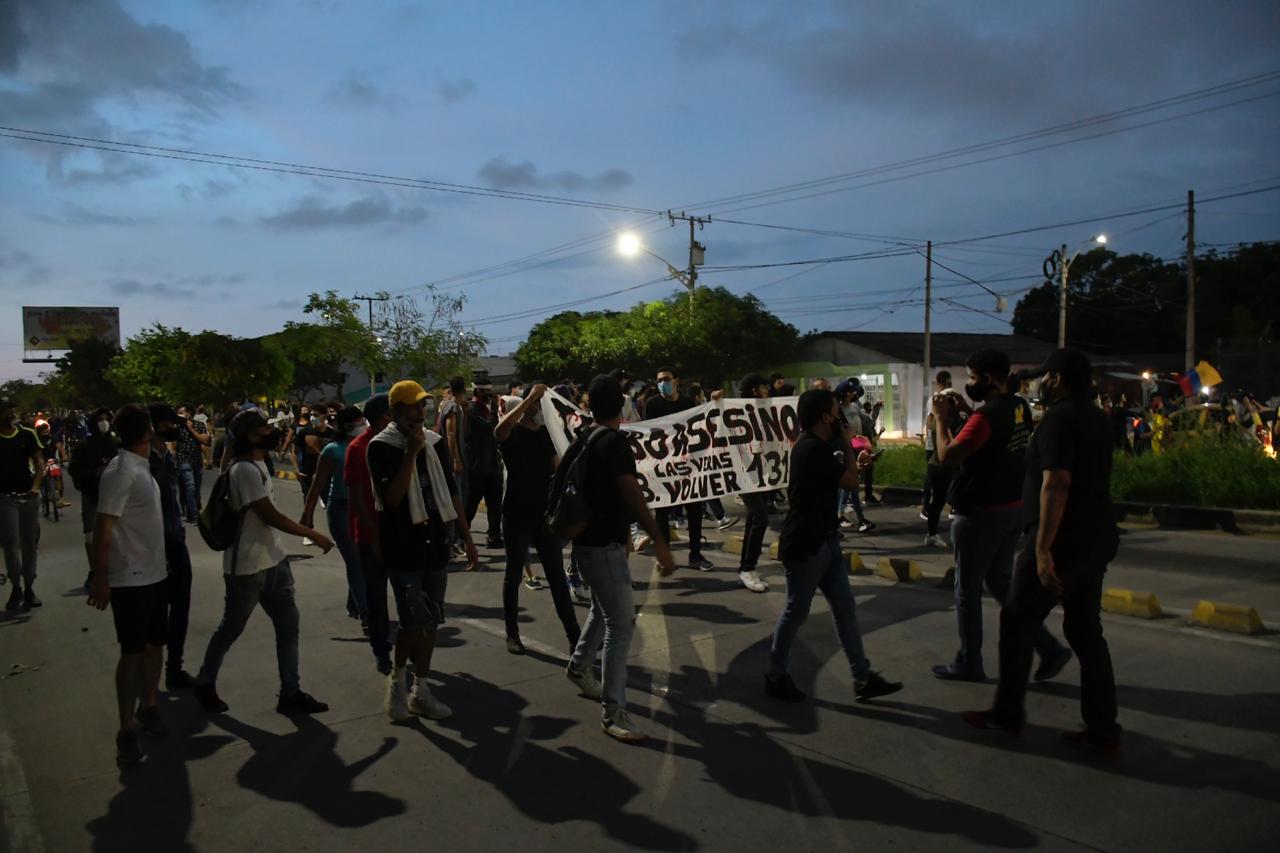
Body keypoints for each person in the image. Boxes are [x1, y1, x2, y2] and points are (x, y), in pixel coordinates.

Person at [966, 348, 1123, 754]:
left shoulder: (1057, 419)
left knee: (1017, 620)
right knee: (1086, 631)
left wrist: (1042, 548)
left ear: (1056, 379)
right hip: (1097, 538)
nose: (1037, 384)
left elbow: (1056, 483)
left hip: (1063, 542)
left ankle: (1008, 714)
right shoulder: (1098, 417)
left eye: (1042, 378)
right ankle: (1103, 728)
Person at [930, 350, 1071, 683]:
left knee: (967, 590)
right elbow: (993, 435)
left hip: (980, 513)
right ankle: (1048, 646)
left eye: (974, 378)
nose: (971, 384)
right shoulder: (1019, 406)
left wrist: (940, 419)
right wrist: (966, 412)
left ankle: (969, 661)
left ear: (990, 379)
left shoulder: (986, 418)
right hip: (1012, 507)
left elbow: (948, 456)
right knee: (1000, 583)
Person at [764, 388, 901, 704]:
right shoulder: (812, 448)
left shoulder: (819, 447)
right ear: (825, 417)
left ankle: (863, 677)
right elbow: (851, 482)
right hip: (807, 546)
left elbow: (842, 477)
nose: (840, 413)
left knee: (845, 609)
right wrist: (851, 447)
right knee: (795, 612)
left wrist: (853, 458)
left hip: (825, 541)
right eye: (835, 409)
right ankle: (775, 675)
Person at [193, 410, 334, 716]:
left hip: (273, 561)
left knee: (288, 628)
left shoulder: (257, 464)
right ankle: (205, 683)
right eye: (264, 429)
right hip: (246, 568)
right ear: (250, 436)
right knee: (230, 629)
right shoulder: (243, 470)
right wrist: (313, 533)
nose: (272, 433)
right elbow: (270, 515)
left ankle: (290, 692)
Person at [567, 375, 676, 744]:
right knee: (621, 623)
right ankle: (614, 713)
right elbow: (630, 492)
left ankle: (580, 667)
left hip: (589, 544)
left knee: (603, 610)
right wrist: (659, 539)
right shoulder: (612, 442)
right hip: (602, 547)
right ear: (621, 405)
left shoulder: (586, 435)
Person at [369, 380, 479, 722]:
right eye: (415, 406)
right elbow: (393, 498)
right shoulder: (380, 447)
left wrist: (466, 535)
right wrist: (412, 453)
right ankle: (398, 679)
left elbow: (451, 490)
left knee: (430, 623)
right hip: (403, 548)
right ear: (395, 412)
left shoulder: (433, 442)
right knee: (412, 622)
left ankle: (422, 689)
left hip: (436, 544)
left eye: (423, 406)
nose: (421, 412)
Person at [87, 404, 170, 765]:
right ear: (146, 431)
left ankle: (149, 705)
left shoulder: (142, 466)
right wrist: (101, 578)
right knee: (132, 653)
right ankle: (126, 729)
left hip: (155, 574)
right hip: (129, 579)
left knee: (155, 646)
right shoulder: (120, 471)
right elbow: (103, 527)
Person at [494, 383, 581, 655]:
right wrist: (527, 399)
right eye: (532, 403)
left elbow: (559, 466)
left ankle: (574, 636)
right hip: (517, 513)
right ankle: (512, 633)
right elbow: (499, 431)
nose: (535, 407)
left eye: (537, 404)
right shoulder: (512, 432)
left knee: (556, 576)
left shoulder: (545, 434)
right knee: (513, 573)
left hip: (544, 516)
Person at [301, 405, 369, 627]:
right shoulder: (332, 450)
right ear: (349, 425)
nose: (363, 425)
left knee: (361, 560)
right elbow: (317, 483)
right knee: (355, 562)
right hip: (340, 509)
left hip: (363, 507)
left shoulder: (367, 445)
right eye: (359, 421)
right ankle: (367, 615)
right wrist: (307, 515)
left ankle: (355, 604)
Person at [146, 404, 198, 690]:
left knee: (180, 609)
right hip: (154, 549)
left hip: (175, 542)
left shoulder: (166, 456)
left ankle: (174, 667)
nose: (174, 428)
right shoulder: (142, 462)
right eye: (169, 423)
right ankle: (149, 680)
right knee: (154, 618)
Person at [343, 394, 395, 674]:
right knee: (376, 597)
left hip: (396, 532)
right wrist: (374, 538)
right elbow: (357, 499)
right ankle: (382, 650)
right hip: (369, 534)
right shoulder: (357, 448)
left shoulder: (395, 443)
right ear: (382, 417)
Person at [642, 367, 714, 572]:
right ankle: (664, 555)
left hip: (687, 467)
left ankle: (696, 554)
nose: (662, 383)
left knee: (694, 510)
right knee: (662, 512)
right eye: (659, 380)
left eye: (666, 379)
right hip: (663, 467)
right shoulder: (652, 404)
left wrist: (714, 402)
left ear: (676, 381)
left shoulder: (687, 404)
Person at [1, 397, 44, 612]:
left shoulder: (28, 434)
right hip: (5, 498)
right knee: (10, 544)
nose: (10, 414)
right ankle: (16, 586)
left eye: (12, 410)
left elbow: (39, 461)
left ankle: (29, 587)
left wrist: (36, 486)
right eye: (5, 411)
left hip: (28, 495)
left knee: (30, 544)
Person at [733, 374, 774, 594]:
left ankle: (745, 568)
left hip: (764, 470)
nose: (767, 389)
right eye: (763, 386)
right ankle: (748, 568)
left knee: (754, 519)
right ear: (754, 391)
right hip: (744, 472)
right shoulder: (738, 409)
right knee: (760, 518)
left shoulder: (769, 408)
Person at [72, 407, 120, 590]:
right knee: (91, 535)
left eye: (106, 419)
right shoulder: (83, 446)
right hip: (91, 495)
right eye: (99, 419)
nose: (103, 422)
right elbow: (75, 470)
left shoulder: (117, 443)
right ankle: (95, 571)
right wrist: (93, 474)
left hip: (115, 496)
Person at [464, 379, 505, 550]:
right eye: (484, 392)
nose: (488, 395)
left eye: (490, 391)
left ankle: (494, 536)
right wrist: (495, 409)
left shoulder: (484, 410)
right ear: (476, 392)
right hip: (477, 465)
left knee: (495, 504)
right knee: (471, 504)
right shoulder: (471, 411)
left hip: (491, 465)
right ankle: (463, 538)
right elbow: (490, 428)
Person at [924, 388, 966, 548]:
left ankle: (935, 532)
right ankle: (932, 534)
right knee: (939, 500)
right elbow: (951, 441)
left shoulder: (947, 418)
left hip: (948, 464)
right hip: (940, 465)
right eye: (950, 401)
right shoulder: (940, 420)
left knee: (946, 498)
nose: (954, 404)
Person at [174, 403, 210, 523]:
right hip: (183, 459)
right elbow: (172, 444)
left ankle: (191, 510)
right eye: (178, 413)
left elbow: (205, 441)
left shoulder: (199, 425)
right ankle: (195, 515)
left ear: (189, 413)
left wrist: (192, 430)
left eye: (182, 412)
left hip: (196, 459)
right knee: (190, 485)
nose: (180, 415)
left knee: (195, 488)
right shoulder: (176, 427)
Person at [35, 420, 71, 508]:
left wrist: (64, 456)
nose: (46, 431)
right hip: (39, 461)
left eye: (47, 430)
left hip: (51, 460)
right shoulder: (35, 439)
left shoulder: (52, 438)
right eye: (43, 430)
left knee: (58, 476)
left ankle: (60, 499)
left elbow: (60, 447)